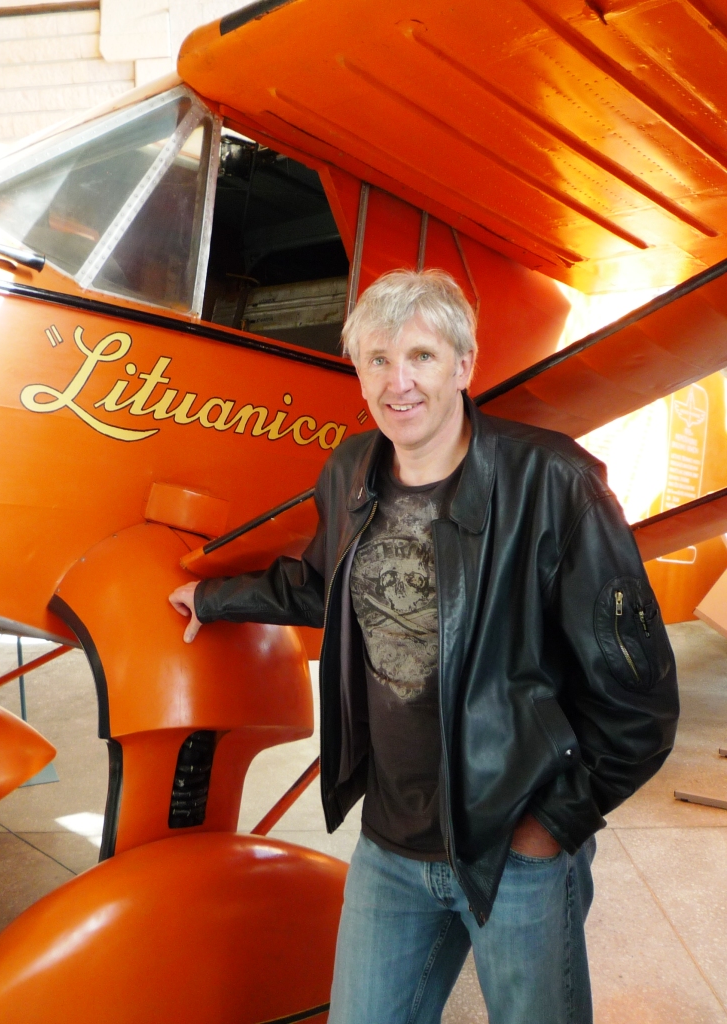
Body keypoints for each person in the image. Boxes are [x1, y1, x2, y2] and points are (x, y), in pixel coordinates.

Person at [169, 270, 678, 1024]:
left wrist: (553, 827)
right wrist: (211, 598)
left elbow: (641, 702)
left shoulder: (556, 481)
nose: (397, 382)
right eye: (376, 359)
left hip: (516, 845)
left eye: (421, 357)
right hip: (393, 839)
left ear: (464, 366)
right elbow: (323, 582)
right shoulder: (349, 469)